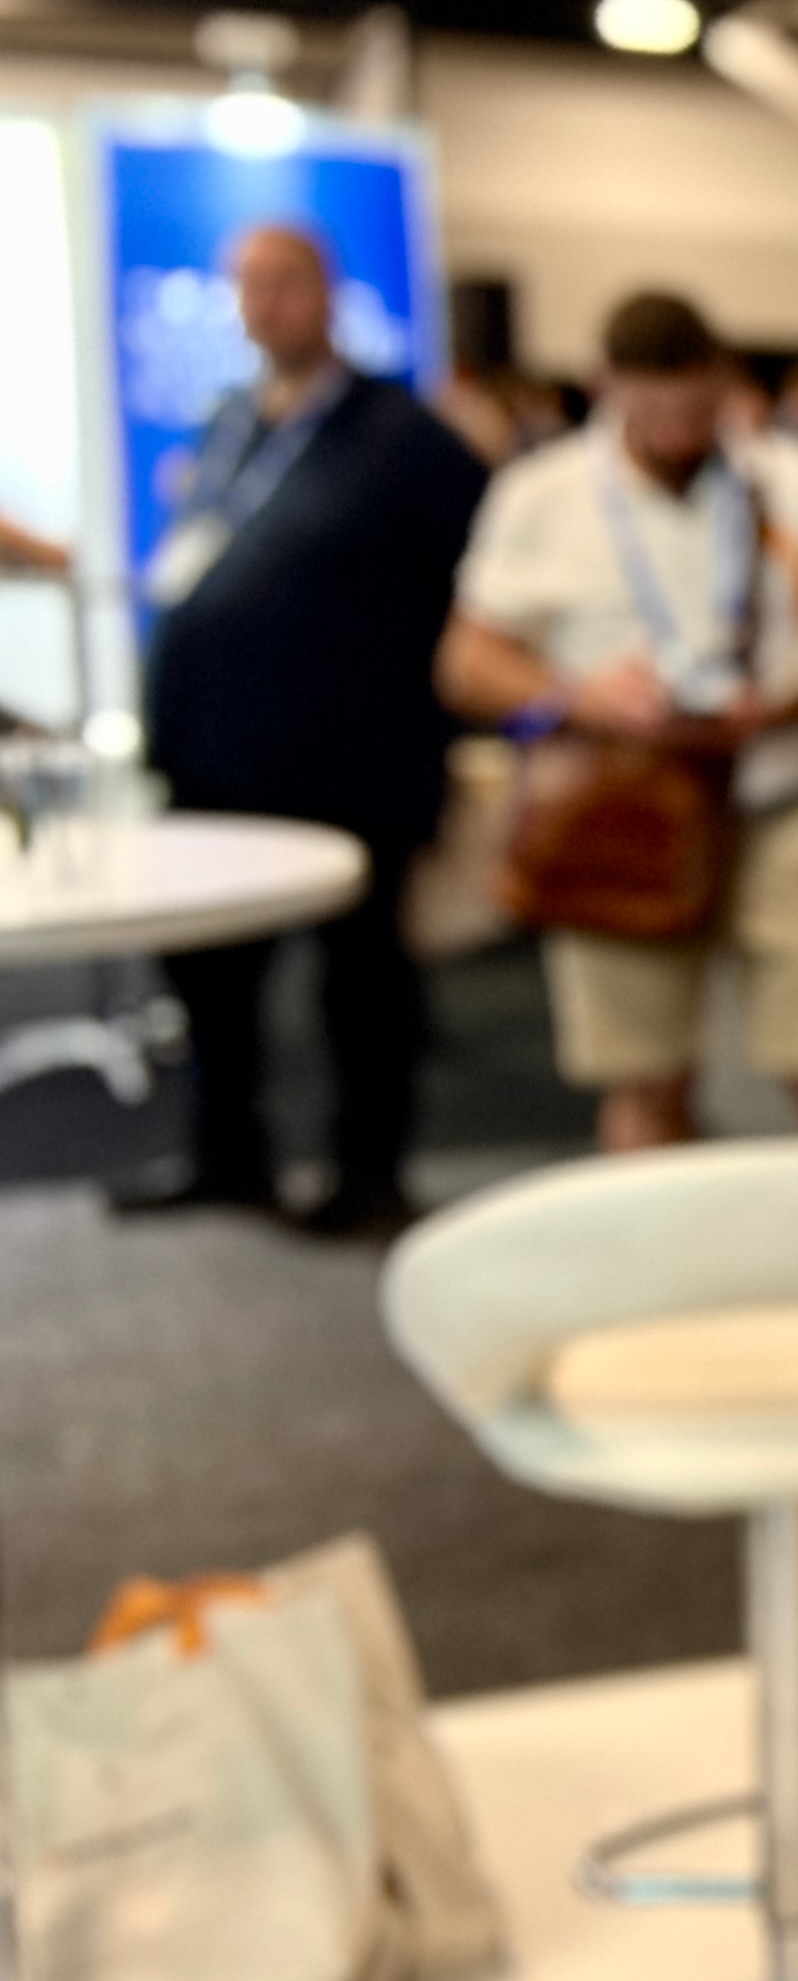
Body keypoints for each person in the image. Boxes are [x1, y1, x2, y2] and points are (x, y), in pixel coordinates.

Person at [438, 291, 798, 1151]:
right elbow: (466, 664)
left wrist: (772, 706)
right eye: (648, 408)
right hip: (624, 811)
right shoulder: (542, 495)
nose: (673, 431)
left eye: (693, 408)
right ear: (605, 386)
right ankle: (664, 1278)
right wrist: (585, 697)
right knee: (646, 1084)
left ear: (725, 385)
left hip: (783, 800)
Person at [140, 223, 488, 1233]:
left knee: (364, 984)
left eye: (284, 283)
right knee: (210, 978)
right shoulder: (228, 424)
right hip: (214, 752)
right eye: (247, 286)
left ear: (327, 294)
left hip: (353, 764)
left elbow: (466, 585)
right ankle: (227, 1151)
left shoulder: (402, 435)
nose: (265, 305)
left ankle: (367, 1175)